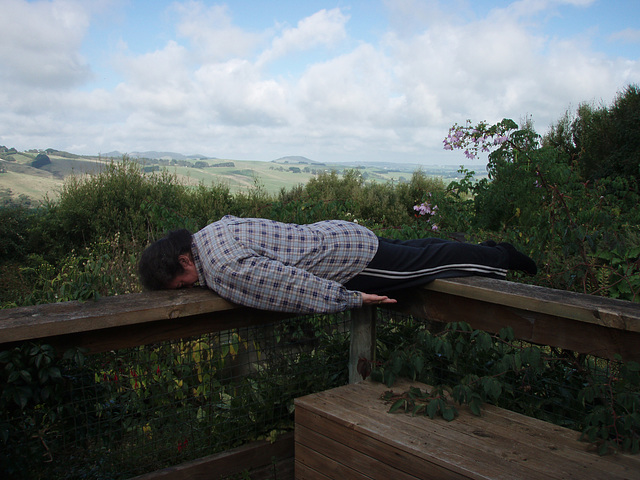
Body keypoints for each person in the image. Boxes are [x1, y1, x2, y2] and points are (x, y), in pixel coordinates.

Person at [138, 215, 537, 314]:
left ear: (184, 259)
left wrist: (351, 299)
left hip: (351, 262)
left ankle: (499, 256)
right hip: (340, 235)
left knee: (428, 263)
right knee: (422, 250)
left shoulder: (222, 268)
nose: (190, 288)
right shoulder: (209, 233)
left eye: (183, 282)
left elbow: (289, 287)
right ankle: (487, 250)